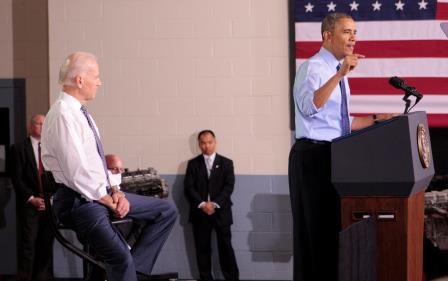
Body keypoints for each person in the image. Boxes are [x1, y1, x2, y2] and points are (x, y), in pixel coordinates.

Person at [41, 51, 177, 281]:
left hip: (98, 195)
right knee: (119, 258)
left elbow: (93, 167)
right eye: (96, 76)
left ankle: (135, 273)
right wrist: (108, 200)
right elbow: (77, 174)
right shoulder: (63, 115)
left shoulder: (82, 114)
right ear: (80, 80)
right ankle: (128, 271)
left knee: (166, 211)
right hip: (78, 202)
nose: (100, 82)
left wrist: (116, 191)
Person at [289, 13, 394, 281]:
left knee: (331, 232)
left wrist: (374, 119)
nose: (354, 37)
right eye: (347, 31)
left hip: (333, 154)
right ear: (327, 35)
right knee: (315, 235)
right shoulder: (313, 68)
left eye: (355, 32)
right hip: (312, 157)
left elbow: (339, 122)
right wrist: (340, 73)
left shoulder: (337, 69)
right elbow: (309, 107)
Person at [184, 130, 239, 281]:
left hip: (221, 213)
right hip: (200, 214)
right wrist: (202, 204)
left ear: (215, 142)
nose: (206, 146)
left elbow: (229, 187)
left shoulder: (227, 163)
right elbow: (189, 188)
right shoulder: (193, 164)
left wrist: (214, 204)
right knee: (202, 250)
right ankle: (205, 278)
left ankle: (232, 278)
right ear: (199, 144)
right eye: (203, 143)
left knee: (226, 248)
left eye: (210, 142)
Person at [10, 114, 54, 281]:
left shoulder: (52, 149)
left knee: (46, 244)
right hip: (30, 205)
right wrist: (32, 198)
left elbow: (58, 177)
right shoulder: (18, 148)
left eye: (45, 124)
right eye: (39, 124)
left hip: (50, 205)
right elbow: (17, 178)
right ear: (31, 127)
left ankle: (43, 278)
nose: (42, 127)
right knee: (28, 245)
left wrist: (51, 199)